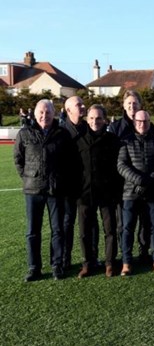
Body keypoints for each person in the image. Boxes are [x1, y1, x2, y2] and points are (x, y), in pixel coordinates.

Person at [14, 99, 75, 281]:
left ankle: (57, 265)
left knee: (57, 230)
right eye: (41, 112)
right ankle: (34, 267)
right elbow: (18, 159)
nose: (44, 116)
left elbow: (68, 161)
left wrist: (60, 180)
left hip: (55, 190)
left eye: (48, 112)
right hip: (33, 191)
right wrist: (27, 178)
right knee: (33, 231)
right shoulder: (24, 133)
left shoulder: (62, 134)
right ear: (35, 113)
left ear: (53, 114)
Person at [117, 110, 154, 276]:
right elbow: (122, 166)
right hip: (130, 194)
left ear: (149, 122)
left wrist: (149, 180)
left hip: (153, 192)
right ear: (134, 122)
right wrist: (139, 180)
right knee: (128, 228)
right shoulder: (125, 142)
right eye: (139, 121)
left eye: (145, 121)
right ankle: (126, 262)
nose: (142, 124)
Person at [109, 90, 154, 263]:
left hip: (146, 183)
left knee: (146, 220)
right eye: (129, 103)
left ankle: (144, 251)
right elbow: (116, 159)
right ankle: (125, 255)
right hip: (124, 184)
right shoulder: (116, 128)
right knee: (124, 223)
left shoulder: (146, 124)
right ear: (123, 105)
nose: (132, 106)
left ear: (140, 105)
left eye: (135, 103)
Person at [75, 104, 121, 278]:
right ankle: (87, 264)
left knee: (110, 231)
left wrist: (116, 190)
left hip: (107, 193)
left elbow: (118, 167)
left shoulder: (112, 140)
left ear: (105, 120)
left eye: (99, 118)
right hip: (84, 193)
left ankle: (110, 263)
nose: (95, 121)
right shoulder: (79, 139)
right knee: (85, 232)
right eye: (92, 118)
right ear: (87, 119)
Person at [60, 96, 88, 270]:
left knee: (88, 224)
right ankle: (65, 259)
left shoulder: (88, 128)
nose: (83, 106)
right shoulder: (61, 131)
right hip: (68, 188)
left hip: (86, 186)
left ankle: (90, 258)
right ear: (69, 110)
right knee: (66, 224)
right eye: (79, 105)